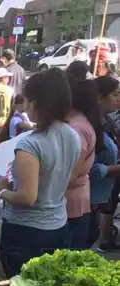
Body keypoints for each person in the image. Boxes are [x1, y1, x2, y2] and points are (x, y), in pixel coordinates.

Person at [0, 69, 81, 277]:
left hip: (26, 232)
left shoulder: (30, 144)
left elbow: (27, 198)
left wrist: (1, 192)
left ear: (37, 103)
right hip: (58, 225)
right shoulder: (72, 135)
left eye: (27, 100)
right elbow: (69, 179)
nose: (25, 106)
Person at [64, 77, 99, 250]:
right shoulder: (77, 123)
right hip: (74, 202)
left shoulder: (76, 128)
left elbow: (70, 175)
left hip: (72, 205)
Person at [91, 75, 120, 249]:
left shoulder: (107, 120)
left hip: (102, 193)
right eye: (115, 94)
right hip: (91, 197)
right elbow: (89, 169)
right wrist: (114, 168)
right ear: (100, 97)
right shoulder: (91, 126)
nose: (118, 98)